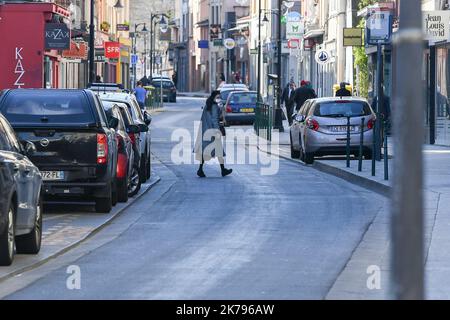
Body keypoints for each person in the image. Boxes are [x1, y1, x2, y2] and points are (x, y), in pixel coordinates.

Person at [194, 90, 233, 178]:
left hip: (205, 131)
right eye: (218, 97)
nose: (219, 99)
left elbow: (204, 118)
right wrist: (217, 131)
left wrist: (221, 109)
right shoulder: (214, 106)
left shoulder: (208, 104)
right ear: (215, 97)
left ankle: (201, 169)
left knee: (206, 151)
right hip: (212, 132)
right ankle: (222, 170)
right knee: (218, 151)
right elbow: (215, 119)